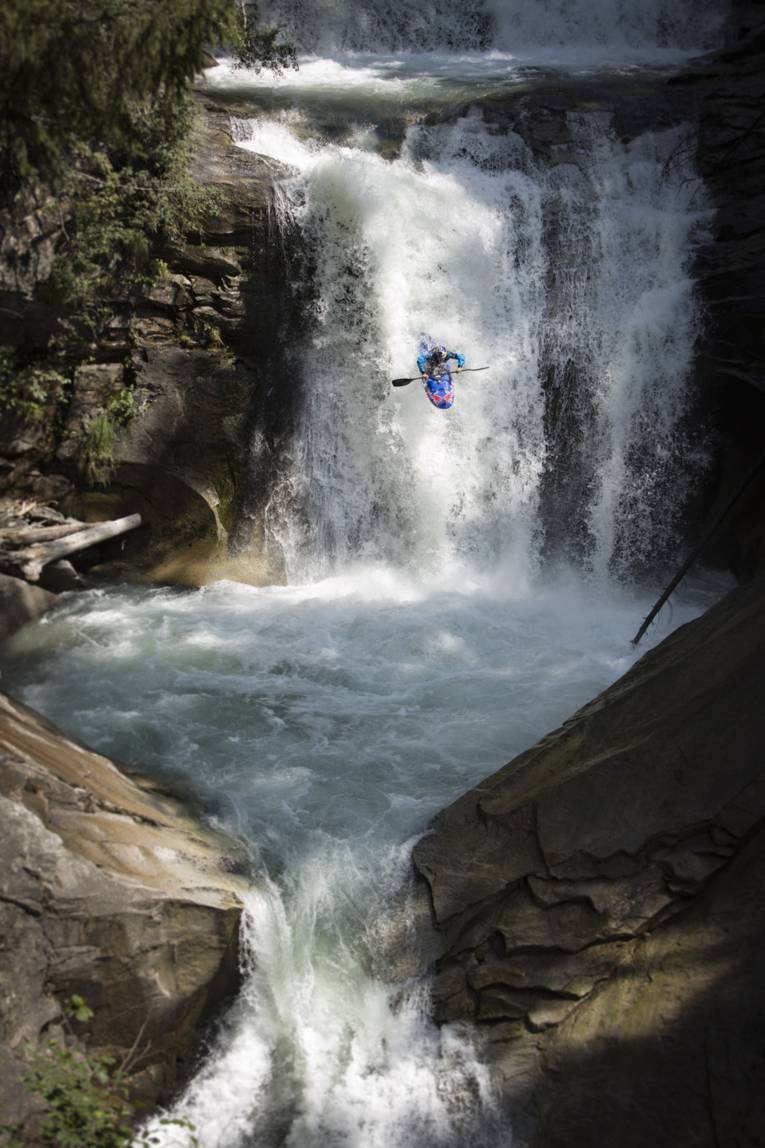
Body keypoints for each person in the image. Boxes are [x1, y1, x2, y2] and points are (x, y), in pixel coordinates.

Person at [417, 343, 466, 410]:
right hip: (429, 365)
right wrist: (423, 373)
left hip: (441, 367)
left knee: (442, 367)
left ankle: (439, 376)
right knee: (431, 369)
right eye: (439, 357)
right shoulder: (431, 355)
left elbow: (461, 356)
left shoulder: (447, 354)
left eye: (442, 358)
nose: (440, 359)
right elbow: (420, 360)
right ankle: (431, 378)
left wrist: (459, 367)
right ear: (436, 355)